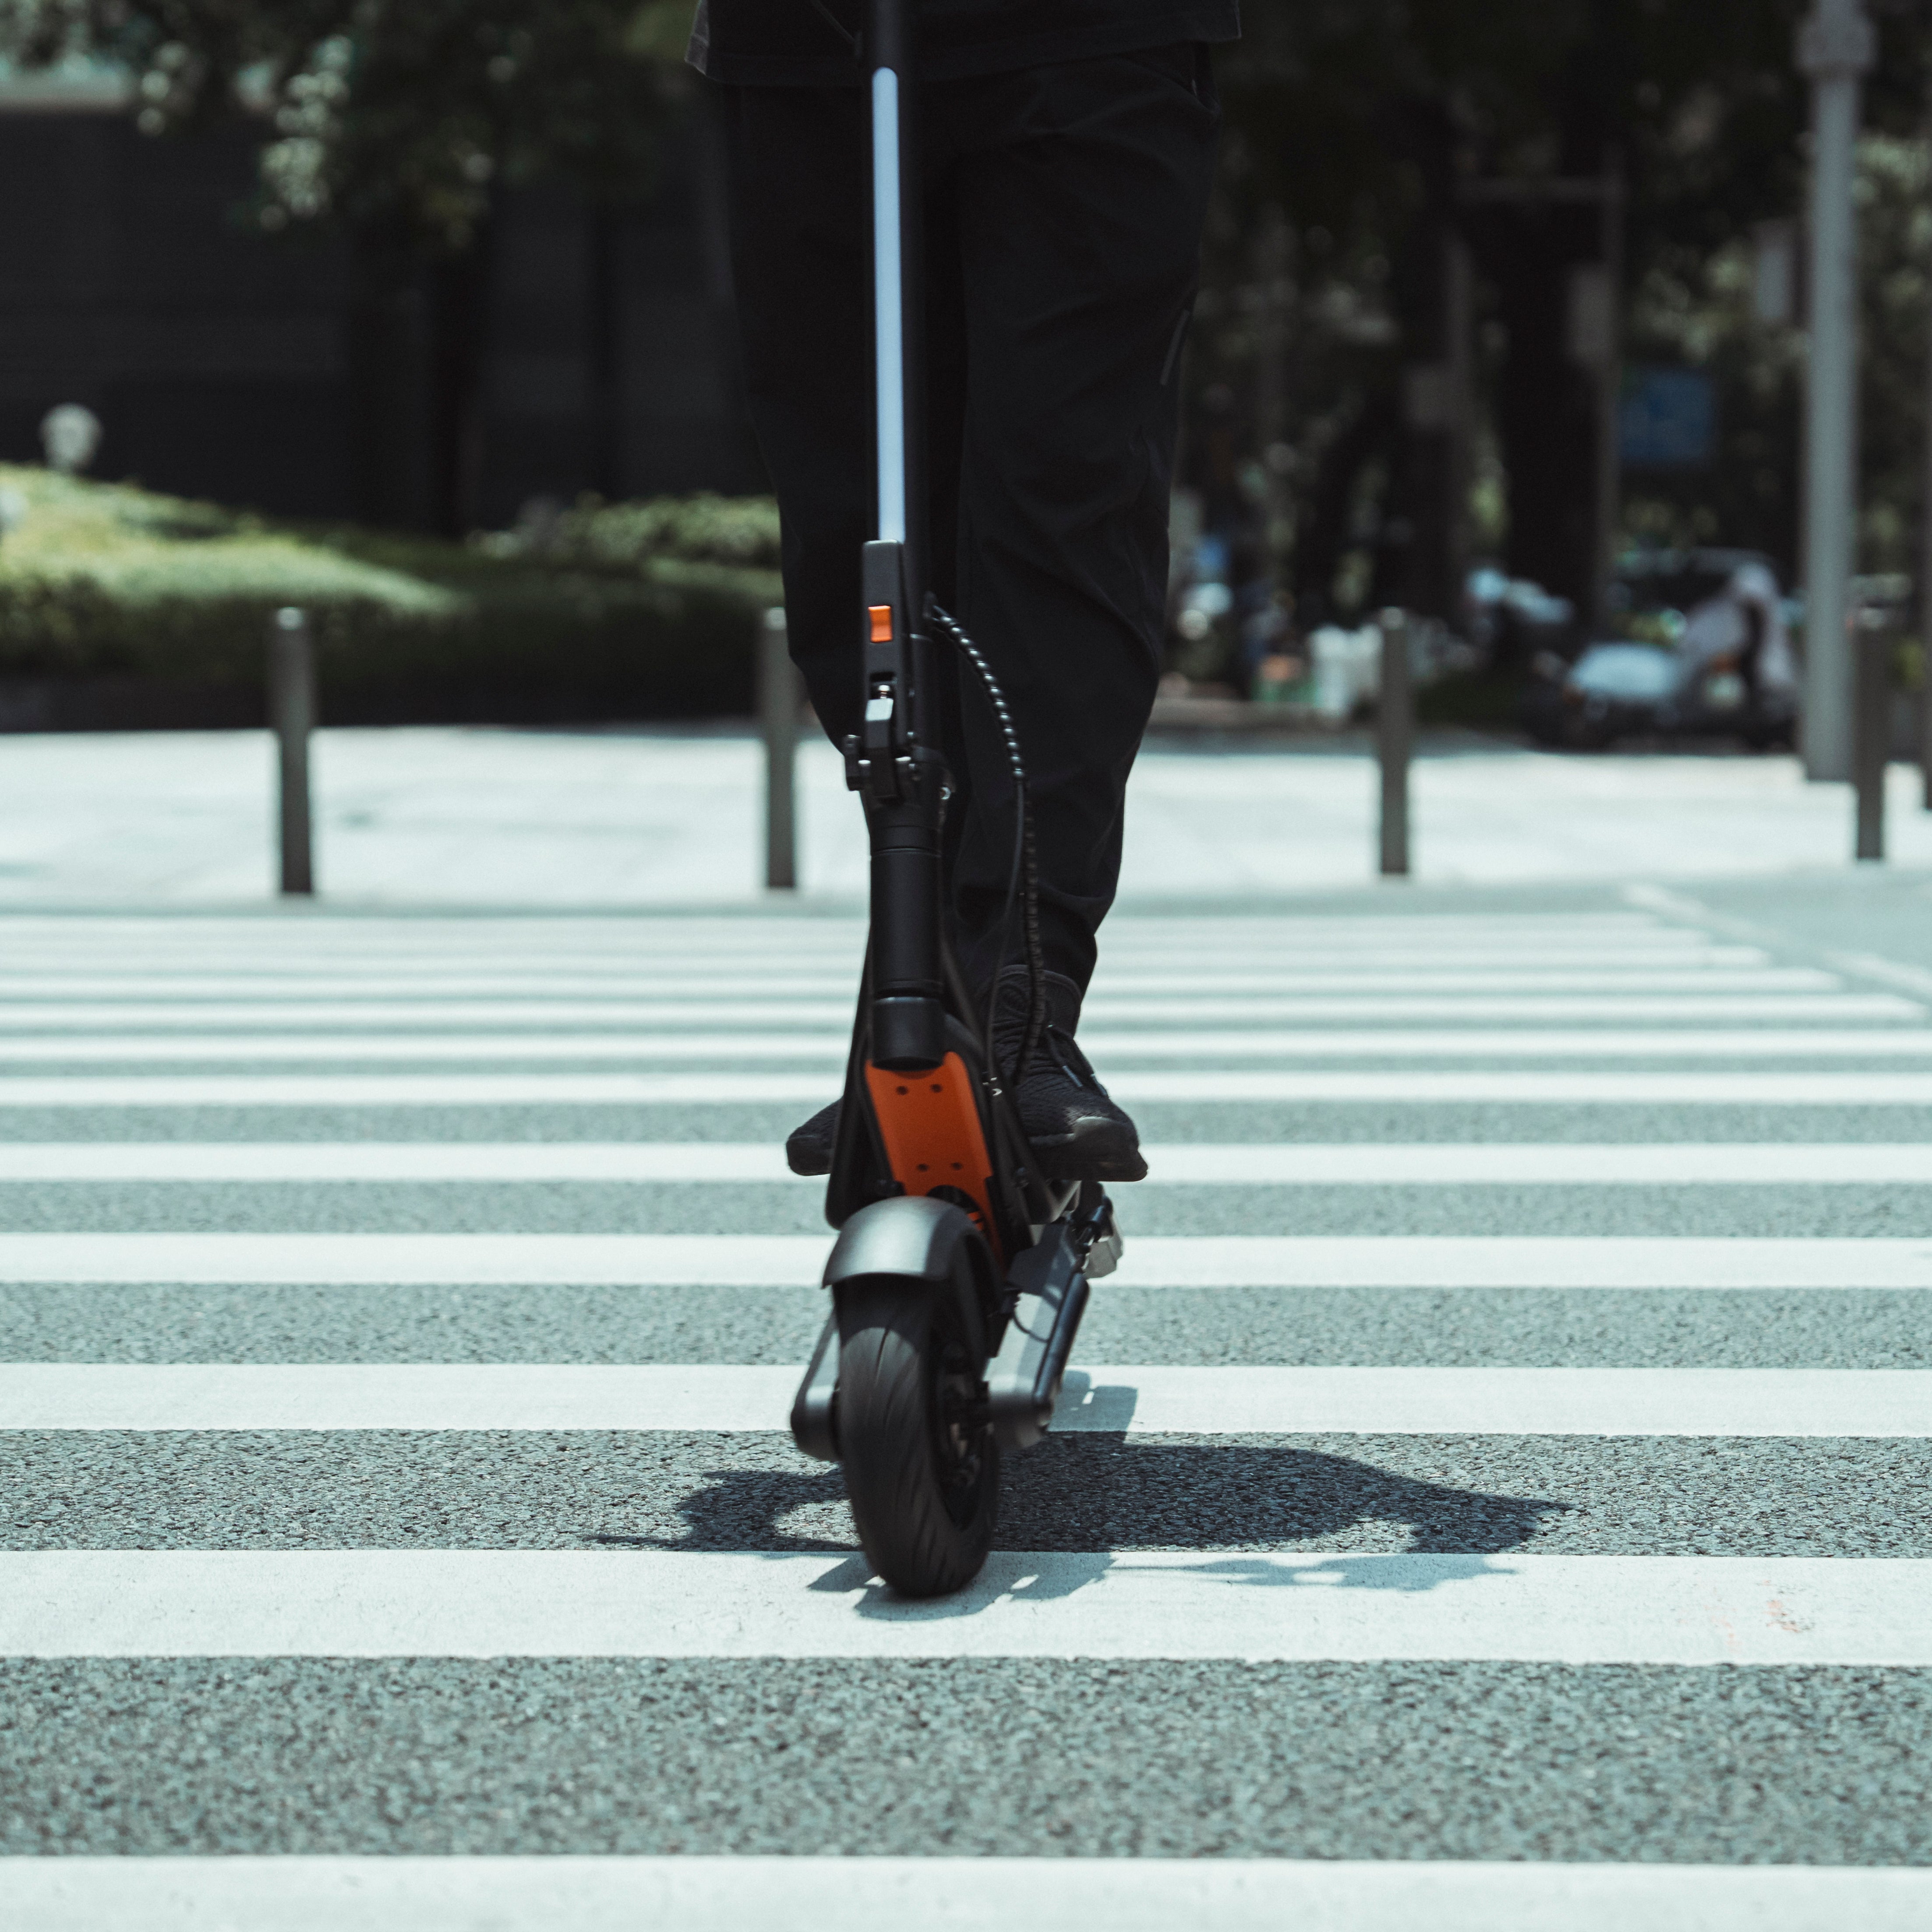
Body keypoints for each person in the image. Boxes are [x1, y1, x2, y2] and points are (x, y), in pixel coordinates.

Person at [690, 0, 1234, 1182]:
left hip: (1086, 43)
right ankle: (918, 991)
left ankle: (1019, 1016)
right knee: (857, 526)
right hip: (801, 41)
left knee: (1058, 518)